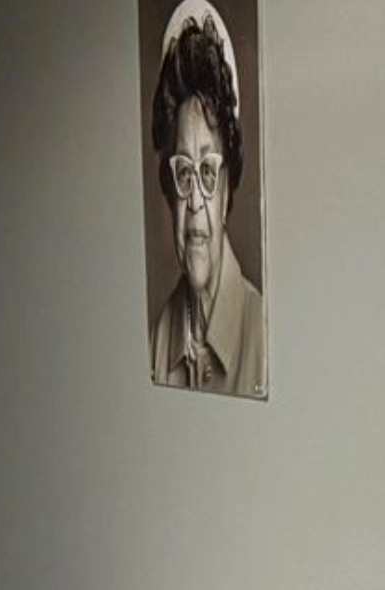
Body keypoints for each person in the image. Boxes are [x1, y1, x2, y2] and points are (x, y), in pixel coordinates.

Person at [146, 5, 263, 398]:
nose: (194, 199)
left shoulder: (260, 330)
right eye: (183, 173)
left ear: (228, 185)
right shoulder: (160, 338)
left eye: (209, 172)